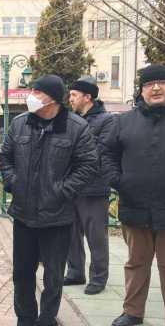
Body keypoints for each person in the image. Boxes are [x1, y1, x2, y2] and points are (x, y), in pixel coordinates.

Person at [0, 74, 98, 326]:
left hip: (58, 217)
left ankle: (46, 318)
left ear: (52, 98)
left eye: (36, 91)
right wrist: (13, 183)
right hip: (24, 214)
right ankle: (25, 318)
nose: (30, 95)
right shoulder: (20, 124)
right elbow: (6, 157)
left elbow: (87, 166)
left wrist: (62, 191)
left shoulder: (76, 127)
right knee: (22, 273)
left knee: (54, 276)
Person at [103, 65, 165, 326]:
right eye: (149, 84)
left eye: (162, 82)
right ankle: (133, 312)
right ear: (141, 91)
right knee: (136, 263)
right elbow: (107, 155)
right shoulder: (123, 122)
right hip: (134, 206)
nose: (155, 88)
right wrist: (118, 181)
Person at [65, 76, 114, 295]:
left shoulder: (107, 121)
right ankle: (75, 272)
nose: (70, 99)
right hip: (71, 187)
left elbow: (100, 153)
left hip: (94, 189)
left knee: (96, 236)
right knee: (71, 233)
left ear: (88, 97)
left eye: (74, 95)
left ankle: (98, 277)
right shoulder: (71, 120)